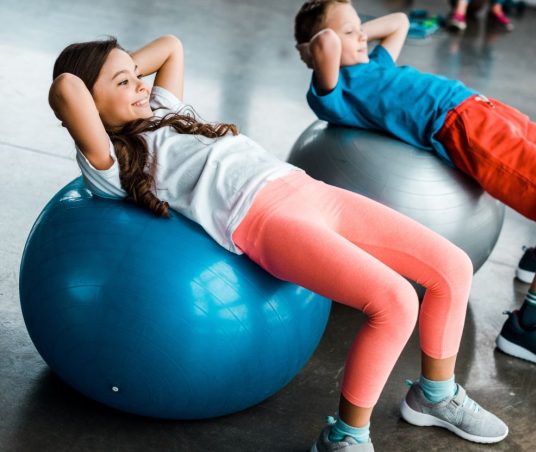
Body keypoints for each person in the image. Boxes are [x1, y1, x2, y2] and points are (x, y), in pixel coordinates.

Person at [48, 35, 508, 450]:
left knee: (453, 266)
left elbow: (171, 45)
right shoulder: (110, 161)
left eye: (136, 75)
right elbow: (67, 85)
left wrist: (123, 72)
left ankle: (435, 396)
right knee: (395, 302)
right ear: (88, 105)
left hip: (306, 188)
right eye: (124, 83)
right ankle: (346, 436)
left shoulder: (163, 109)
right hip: (263, 218)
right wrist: (103, 80)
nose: (140, 85)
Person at [294, 0, 536, 375]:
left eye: (360, 26)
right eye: (349, 31)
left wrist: (355, 30)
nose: (362, 36)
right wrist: (320, 44)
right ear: (317, 50)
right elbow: (327, 45)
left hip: (487, 109)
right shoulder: (336, 93)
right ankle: (530, 325)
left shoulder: (373, 62)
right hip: (466, 129)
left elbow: (399, 21)